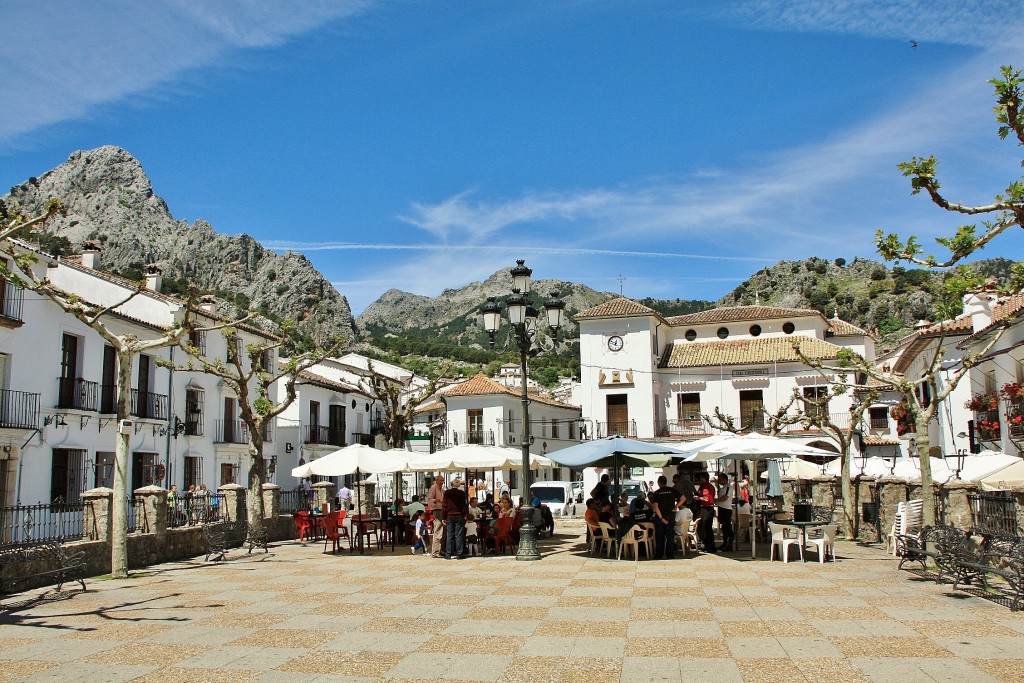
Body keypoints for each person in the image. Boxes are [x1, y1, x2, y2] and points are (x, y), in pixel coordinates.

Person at [649, 475, 679, 560]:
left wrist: (661, 518)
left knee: (660, 537)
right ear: (666, 482)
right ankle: (670, 555)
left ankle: (659, 554)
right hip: (670, 516)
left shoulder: (657, 493)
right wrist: (676, 506)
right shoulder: (672, 490)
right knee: (670, 537)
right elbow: (683, 498)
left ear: (659, 483)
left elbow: (655, 506)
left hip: (660, 519)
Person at [442, 477, 469, 560]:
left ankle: (448, 553)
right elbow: (464, 505)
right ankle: (459, 553)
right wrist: (464, 514)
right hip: (459, 515)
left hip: (449, 515)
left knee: (449, 535)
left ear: (451, 484)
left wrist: (444, 517)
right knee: (459, 535)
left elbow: (444, 506)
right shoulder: (461, 493)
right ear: (459, 485)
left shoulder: (447, 493)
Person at [697, 472, 717, 553]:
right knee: (707, 528)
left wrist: (698, 498)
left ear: (703, 478)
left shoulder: (706, 486)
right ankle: (709, 546)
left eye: (700, 478)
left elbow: (706, 499)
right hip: (709, 509)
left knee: (705, 528)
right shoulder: (711, 486)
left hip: (706, 509)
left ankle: (709, 546)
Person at [427, 475, 446, 558]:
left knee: (443, 531)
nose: (442, 482)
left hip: (442, 510)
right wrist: (437, 500)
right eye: (440, 480)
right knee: (438, 530)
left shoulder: (441, 489)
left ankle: (440, 550)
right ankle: (435, 552)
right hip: (437, 510)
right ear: (436, 480)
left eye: (443, 480)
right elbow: (430, 500)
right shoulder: (434, 488)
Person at [716, 472, 735, 552]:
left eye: (720, 479)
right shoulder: (722, 488)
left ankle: (729, 544)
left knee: (727, 527)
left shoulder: (728, 487)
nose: (719, 481)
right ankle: (725, 543)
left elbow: (725, 497)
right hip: (721, 508)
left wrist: (715, 500)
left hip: (726, 509)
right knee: (723, 527)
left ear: (724, 479)